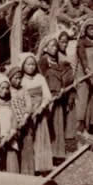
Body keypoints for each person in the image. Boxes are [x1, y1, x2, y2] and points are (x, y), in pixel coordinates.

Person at [38, 35, 71, 163]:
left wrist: (62, 88)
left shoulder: (56, 60)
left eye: (56, 46)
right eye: (52, 46)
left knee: (58, 124)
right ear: (45, 48)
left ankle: (58, 153)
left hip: (59, 96)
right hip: (49, 97)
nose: (55, 48)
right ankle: (50, 154)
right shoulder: (43, 61)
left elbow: (60, 77)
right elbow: (42, 79)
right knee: (50, 124)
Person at [20, 52, 53, 175]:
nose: (31, 67)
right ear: (23, 66)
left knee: (41, 137)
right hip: (28, 113)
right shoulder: (21, 80)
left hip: (40, 112)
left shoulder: (40, 78)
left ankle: (42, 166)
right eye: (28, 64)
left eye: (33, 64)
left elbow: (47, 95)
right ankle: (30, 167)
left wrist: (42, 107)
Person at [0, 75, 20, 173]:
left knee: (11, 157)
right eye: (2, 88)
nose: (5, 91)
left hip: (9, 136)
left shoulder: (9, 102)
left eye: (7, 88)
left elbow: (14, 118)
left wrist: (12, 131)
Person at [57, 30, 78, 150]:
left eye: (66, 42)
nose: (64, 44)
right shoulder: (55, 56)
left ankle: (69, 141)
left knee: (70, 113)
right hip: (60, 89)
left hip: (69, 88)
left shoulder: (68, 54)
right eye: (62, 42)